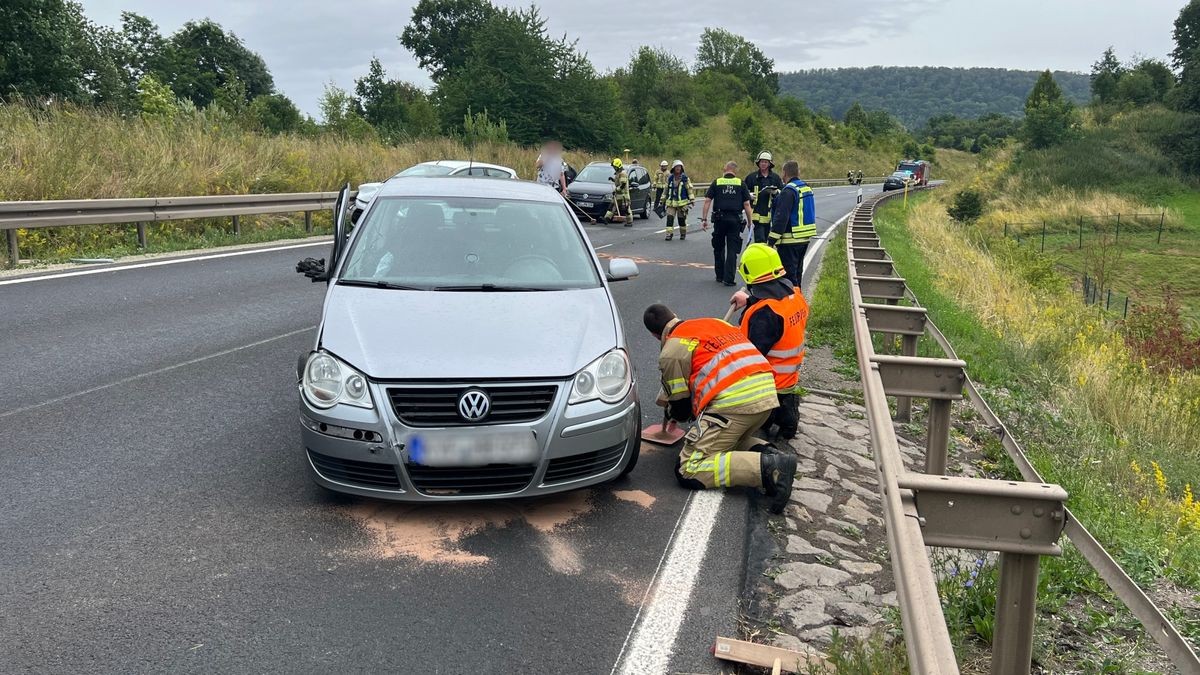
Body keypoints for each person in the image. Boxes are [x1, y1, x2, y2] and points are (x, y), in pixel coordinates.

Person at [643, 303, 796, 512]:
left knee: (688, 468)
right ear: (675, 316)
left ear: (654, 335)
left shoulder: (672, 351)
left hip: (734, 404)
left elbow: (681, 409)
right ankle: (768, 453)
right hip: (767, 394)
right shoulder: (715, 323)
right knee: (728, 441)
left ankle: (770, 469)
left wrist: (672, 412)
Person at [729, 244, 810, 440]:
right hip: (789, 379)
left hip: (766, 385)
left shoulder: (765, 315)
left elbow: (750, 356)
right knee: (783, 404)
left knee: (751, 428)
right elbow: (774, 302)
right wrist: (749, 301)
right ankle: (787, 415)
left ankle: (769, 421)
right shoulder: (795, 296)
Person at [701, 161, 754, 287]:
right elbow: (747, 204)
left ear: (725, 169)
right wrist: (750, 222)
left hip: (719, 219)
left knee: (718, 247)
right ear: (735, 171)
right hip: (735, 220)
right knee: (732, 249)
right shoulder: (741, 183)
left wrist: (704, 219)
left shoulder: (717, 182)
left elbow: (707, 201)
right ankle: (729, 279)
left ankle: (719, 275)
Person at [769, 160, 816, 287]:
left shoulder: (789, 190)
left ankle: (793, 304)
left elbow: (781, 218)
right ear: (798, 172)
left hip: (790, 241)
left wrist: (771, 241)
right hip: (804, 239)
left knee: (788, 278)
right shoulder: (805, 187)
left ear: (784, 173)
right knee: (797, 275)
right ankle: (799, 303)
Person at [743, 151, 783, 244]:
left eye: (766, 162)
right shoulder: (751, 177)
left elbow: (783, 194)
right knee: (760, 240)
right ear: (758, 163)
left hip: (771, 216)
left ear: (769, 164)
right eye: (761, 162)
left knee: (769, 242)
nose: (763, 164)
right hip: (756, 216)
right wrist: (748, 195)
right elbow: (743, 192)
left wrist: (776, 192)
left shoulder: (775, 178)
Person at [663, 159, 694, 241]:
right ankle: (669, 234)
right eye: (676, 167)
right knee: (669, 218)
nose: (678, 168)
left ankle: (683, 234)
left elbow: (689, 189)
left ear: (682, 168)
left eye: (679, 167)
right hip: (671, 203)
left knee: (681, 220)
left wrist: (692, 199)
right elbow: (666, 190)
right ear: (673, 168)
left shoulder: (685, 178)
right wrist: (662, 200)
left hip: (682, 204)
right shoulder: (670, 178)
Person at [604, 157, 633, 226]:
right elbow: (618, 182)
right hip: (618, 195)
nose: (614, 168)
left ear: (618, 166)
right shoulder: (618, 173)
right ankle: (606, 219)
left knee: (626, 209)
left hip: (624, 195)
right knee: (612, 206)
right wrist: (613, 179)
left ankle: (629, 222)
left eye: (615, 166)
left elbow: (623, 184)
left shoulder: (623, 173)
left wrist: (616, 190)